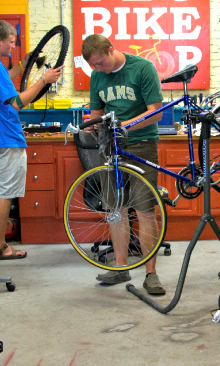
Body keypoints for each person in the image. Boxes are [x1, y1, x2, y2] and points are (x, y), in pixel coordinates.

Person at [0, 20, 61, 260]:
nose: (13, 47)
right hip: (7, 139)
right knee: (5, 192)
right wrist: (44, 80)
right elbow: (17, 102)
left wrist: (21, 66)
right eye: (12, 42)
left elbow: (2, 80)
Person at [81, 34, 166, 295]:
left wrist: (124, 126)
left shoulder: (142, 68)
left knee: (145, 211)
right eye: (93, 66)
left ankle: (151, 274)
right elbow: (96, 113)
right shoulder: (97, 76)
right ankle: (120, 268)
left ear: (110, 50)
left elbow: (156, 111)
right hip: (111, 149)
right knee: (116, 209)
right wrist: (94, 123)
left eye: (99, 63)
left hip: (141, 145)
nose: (97, 70)